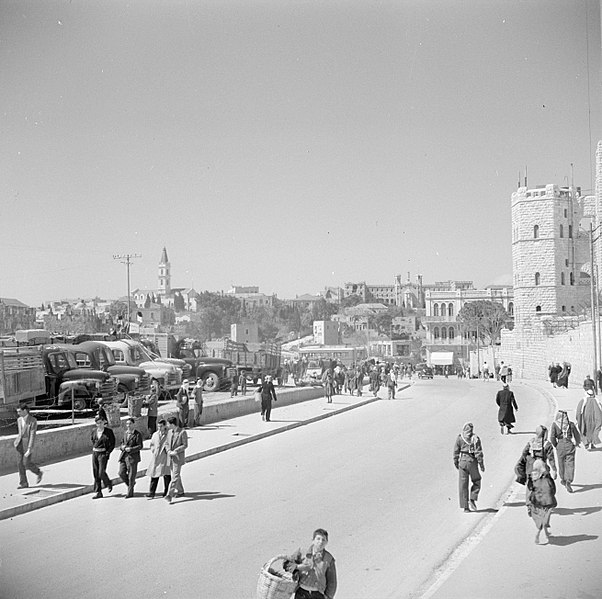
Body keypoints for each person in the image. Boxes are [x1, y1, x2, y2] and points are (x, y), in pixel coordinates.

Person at [284, 528, 337, 599]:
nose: (320, 542)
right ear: (313, 540)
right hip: (301, 592)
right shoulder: (302, 552)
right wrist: (297, 567)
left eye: (323, 540)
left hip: (318, 595)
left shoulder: (329, 559)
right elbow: (286, 564)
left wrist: (328, 597)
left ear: (326, 542)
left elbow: (332, 582)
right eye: (318, 539)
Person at [453, 422, 485, 513]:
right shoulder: (475, 439)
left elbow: (456, 451)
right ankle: (472, 498)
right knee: (477, 480)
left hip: (462, 462)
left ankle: (465, 507)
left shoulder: (460, 438)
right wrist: (481, 465)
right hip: (472, 462)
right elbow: (479, 453)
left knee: (463, 485)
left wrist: (456, 462)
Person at [526, 458, 557, 545]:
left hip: (537, 500)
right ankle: (545, 523)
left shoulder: (532, 477)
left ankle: (541, 526)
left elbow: (529, 489)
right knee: (546, 511)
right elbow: (553, 488)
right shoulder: (547, 476)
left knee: (536, 513)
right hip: (548, 500)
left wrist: (529, 502)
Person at [549, 410, 581, 493]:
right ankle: (569, 480)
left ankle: (563, 478)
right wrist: (577, 443)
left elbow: (552, 437)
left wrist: (556, 445)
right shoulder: (571, 424)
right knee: (570, 463)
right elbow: (577, 435)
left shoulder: (555, 425)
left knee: (561, 463)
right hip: (569, 444)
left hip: (560, 444)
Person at [14, 404, 43, 489]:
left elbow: (32, 434)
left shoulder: (33, 420)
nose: (18, 413)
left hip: (27, 444)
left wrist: (29, 448)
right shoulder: (19, 420)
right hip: (19, 443)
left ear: (25, 411)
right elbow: (20, 433)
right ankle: (23, 483)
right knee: (19, 464)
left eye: (19, 411)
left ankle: (38, 472)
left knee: (26, 463)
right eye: (17, 411)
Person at [90, 415, 115, 499]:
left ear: (104, 422)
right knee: (96, 472)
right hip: (95, 453)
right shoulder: (94, 431)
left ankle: (108, 483)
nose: (99, 424)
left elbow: (112, 443)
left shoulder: (108, 432)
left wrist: (107, 453)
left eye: (101, 422)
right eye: (98, 423)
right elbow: (92, 440)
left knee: (101, 472)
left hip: (103, 453)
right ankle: (98, 491)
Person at [146, 419, 171, 499]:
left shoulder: (169, 434)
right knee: (154, 474)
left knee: (166, 475)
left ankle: (167, 491)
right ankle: (151, 492)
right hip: (156, 457)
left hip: (165, 457)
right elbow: (152, 444)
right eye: (158, 426)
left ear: (165, 426)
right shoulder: (155, 434)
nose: (159, 428)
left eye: (161, 426)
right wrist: (153, 450)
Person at [165, 416, 188, 503]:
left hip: (178, 458)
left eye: (168, 423)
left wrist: (176, 451)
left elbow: (185, 445)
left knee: (174, 476)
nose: (167, 425)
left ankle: (169, 494)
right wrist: (168, 451)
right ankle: (181, 491)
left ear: (172, 424)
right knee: (176, 475)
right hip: (170, 457)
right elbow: (166, 443)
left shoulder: (182, 432)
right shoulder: (170, 432)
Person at [118, 417, 143, 498]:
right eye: (127, 424)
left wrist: (131, 449)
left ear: (133, 424)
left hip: (133, 457)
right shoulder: (125, 433)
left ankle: (130, 493)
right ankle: (130, 485)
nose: (128, 425)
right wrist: (122, 447)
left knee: (131, 476)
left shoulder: (137, 434)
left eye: (130, 424)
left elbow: (140, 446)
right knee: (121, 472)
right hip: (124, 456)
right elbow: (121, 443)